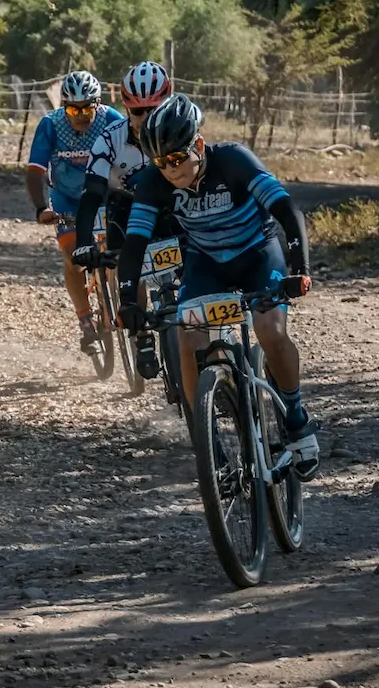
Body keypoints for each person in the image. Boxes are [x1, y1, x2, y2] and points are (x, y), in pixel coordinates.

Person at [117, 94, 319, 478]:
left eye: (177, 159)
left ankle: (295, 418)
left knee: (269, 330)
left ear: (197, 144)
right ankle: (205, 439)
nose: (171, 171)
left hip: (258, 254)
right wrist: (128, 300)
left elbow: (287, 211)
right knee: (187, 340)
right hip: (207, 263)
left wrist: (300, 269)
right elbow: (134, 244)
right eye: (161, 163)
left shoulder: (234, 160)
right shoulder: (154, 182)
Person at [71, 60, 174, 379]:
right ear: (126, 107)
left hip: (172, 206)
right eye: (138, 112)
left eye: (153, 110)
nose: (145, 119)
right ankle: (142, 335)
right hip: (125, 208)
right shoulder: (109, 140)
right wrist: (84, 243)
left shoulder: (181, 131)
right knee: (126, 262)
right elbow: (91, 196)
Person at [25, 69, 120, 350]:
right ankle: (85, 320)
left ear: (98, 103)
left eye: (87, 107)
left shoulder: (111, 120)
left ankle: (116, 297)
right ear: (62, 105)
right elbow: (34, 171)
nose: (80, 114)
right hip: (66, 198)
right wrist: (41, 208)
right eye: (72, 108)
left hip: (104, 194)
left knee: (120, 251)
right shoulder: (51, 125)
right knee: (72, 255)